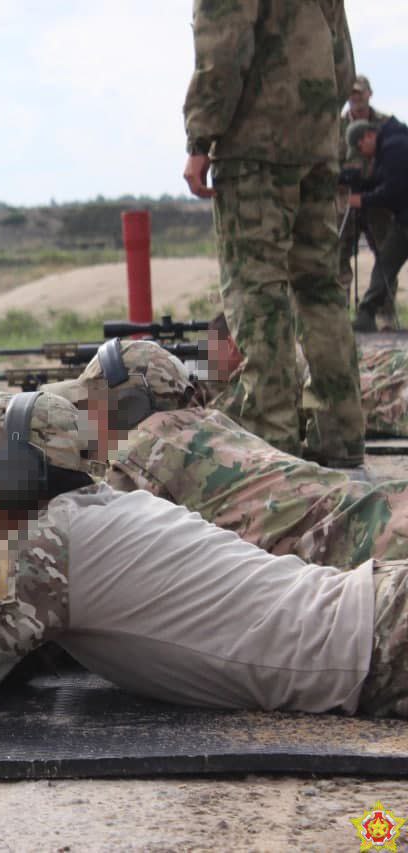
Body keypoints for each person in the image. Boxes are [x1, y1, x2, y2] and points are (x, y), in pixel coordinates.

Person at [0, 391, 408, 732]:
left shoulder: (42, 548)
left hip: (384, 645)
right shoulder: (104, 513)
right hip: (382, 614)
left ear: (12, 477)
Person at [182, 0, 365, 468]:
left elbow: (222, 46)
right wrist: (316, 119)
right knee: (321, 288)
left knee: (255, 288)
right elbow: (342, 60)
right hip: (318, 142)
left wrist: (201, 138)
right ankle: (339, 432)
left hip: (256, 143)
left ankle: (271, 437)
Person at [41, 337, 403, 568]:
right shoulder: (215, 422)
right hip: (385, 511)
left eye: (96, 408)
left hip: (366, 554)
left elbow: (86, 558)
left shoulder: (142, 453)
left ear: (129, 406)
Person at [206, 310, 408, 437]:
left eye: (211, 351)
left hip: (380, 401)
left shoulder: (258, 373)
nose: (208, 361)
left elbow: (216, 420)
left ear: (231, 345)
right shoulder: (283, 348)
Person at [339, 75, 398, 321]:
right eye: (351, 93)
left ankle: (384, 316)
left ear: (369, 94)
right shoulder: (336, 126)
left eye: (360, 93)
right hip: (345, 202)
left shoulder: (385, 124)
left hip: (378, 204)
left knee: (386, 257)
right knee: (337, 258)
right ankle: (339, 319)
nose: (355, 98)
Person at [348, 117, 408, 332]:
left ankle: (367, 312)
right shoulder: (387, 149)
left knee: (386, 261)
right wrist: (359, 184)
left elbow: (394, 190)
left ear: (368, 136)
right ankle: (366, 314)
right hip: (403, 220)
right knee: (385, 262)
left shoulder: (395, 147)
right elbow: (386, 181)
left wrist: (362, 200)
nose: (361, 152)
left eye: (359, 146)